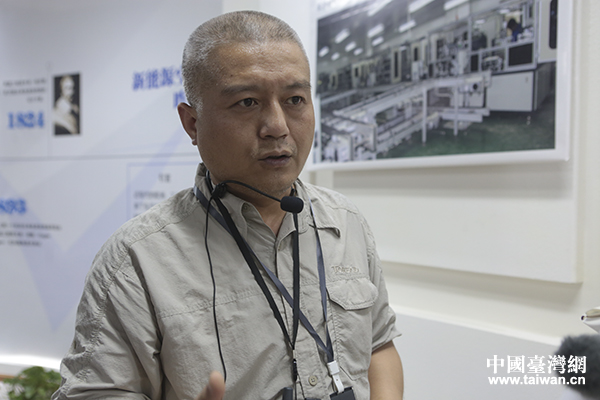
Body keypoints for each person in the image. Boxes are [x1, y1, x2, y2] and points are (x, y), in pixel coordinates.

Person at [52, 10, 403, 400]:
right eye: (247, 102)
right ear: (192, 123)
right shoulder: (137, 260)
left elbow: (379, 345)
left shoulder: (345, 221)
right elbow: (95, 392)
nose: (277, 126)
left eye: (295, 99)